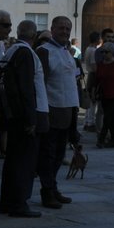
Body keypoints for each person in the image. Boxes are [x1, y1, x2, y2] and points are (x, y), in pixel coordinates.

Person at [0, 20, 43, 217]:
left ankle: (8, 202)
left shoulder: (12, 51)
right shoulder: (25, 52)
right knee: (24, 161)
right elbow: (26, 88)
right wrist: (31, 119)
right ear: (35, 36)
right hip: (23, 116)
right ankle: (18, 203)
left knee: (14, 160)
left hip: (14, 114)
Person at [35, 16, 80, 208]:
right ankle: (47, 191)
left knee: (60, 154)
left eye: (68, 28)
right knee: (48, 154)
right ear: (52, 29)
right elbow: (40, 84)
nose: (65, 31)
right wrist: (42, 112)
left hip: (68, 110)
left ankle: (53, 187)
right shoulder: (44, 52)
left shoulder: (67, 51)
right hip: (52, 110)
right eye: (61, 28)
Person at [93, 33, 114, 147]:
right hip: (104, 94)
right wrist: (94, 91)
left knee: (108, 117)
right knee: (111, 117)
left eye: (106, 52)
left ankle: (101, 139)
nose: (104, 54)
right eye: (102, 52)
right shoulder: (101, 64)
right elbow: (97, 79)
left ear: (112, 52)